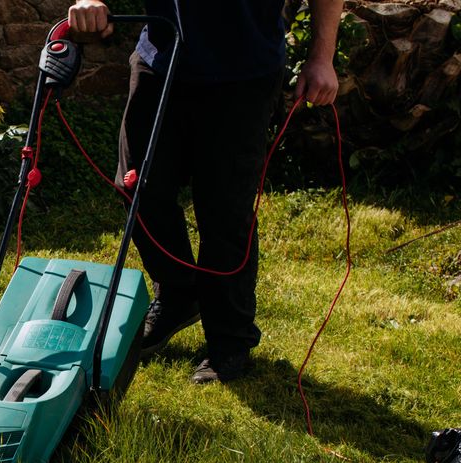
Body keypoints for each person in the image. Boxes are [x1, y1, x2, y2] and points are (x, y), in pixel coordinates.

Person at [68, 0, 342, 383]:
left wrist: (321, 56)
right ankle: (179, 293)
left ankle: (230, 340)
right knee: (138, 188)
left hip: (243, 72)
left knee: (224, 208)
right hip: (160, 61)